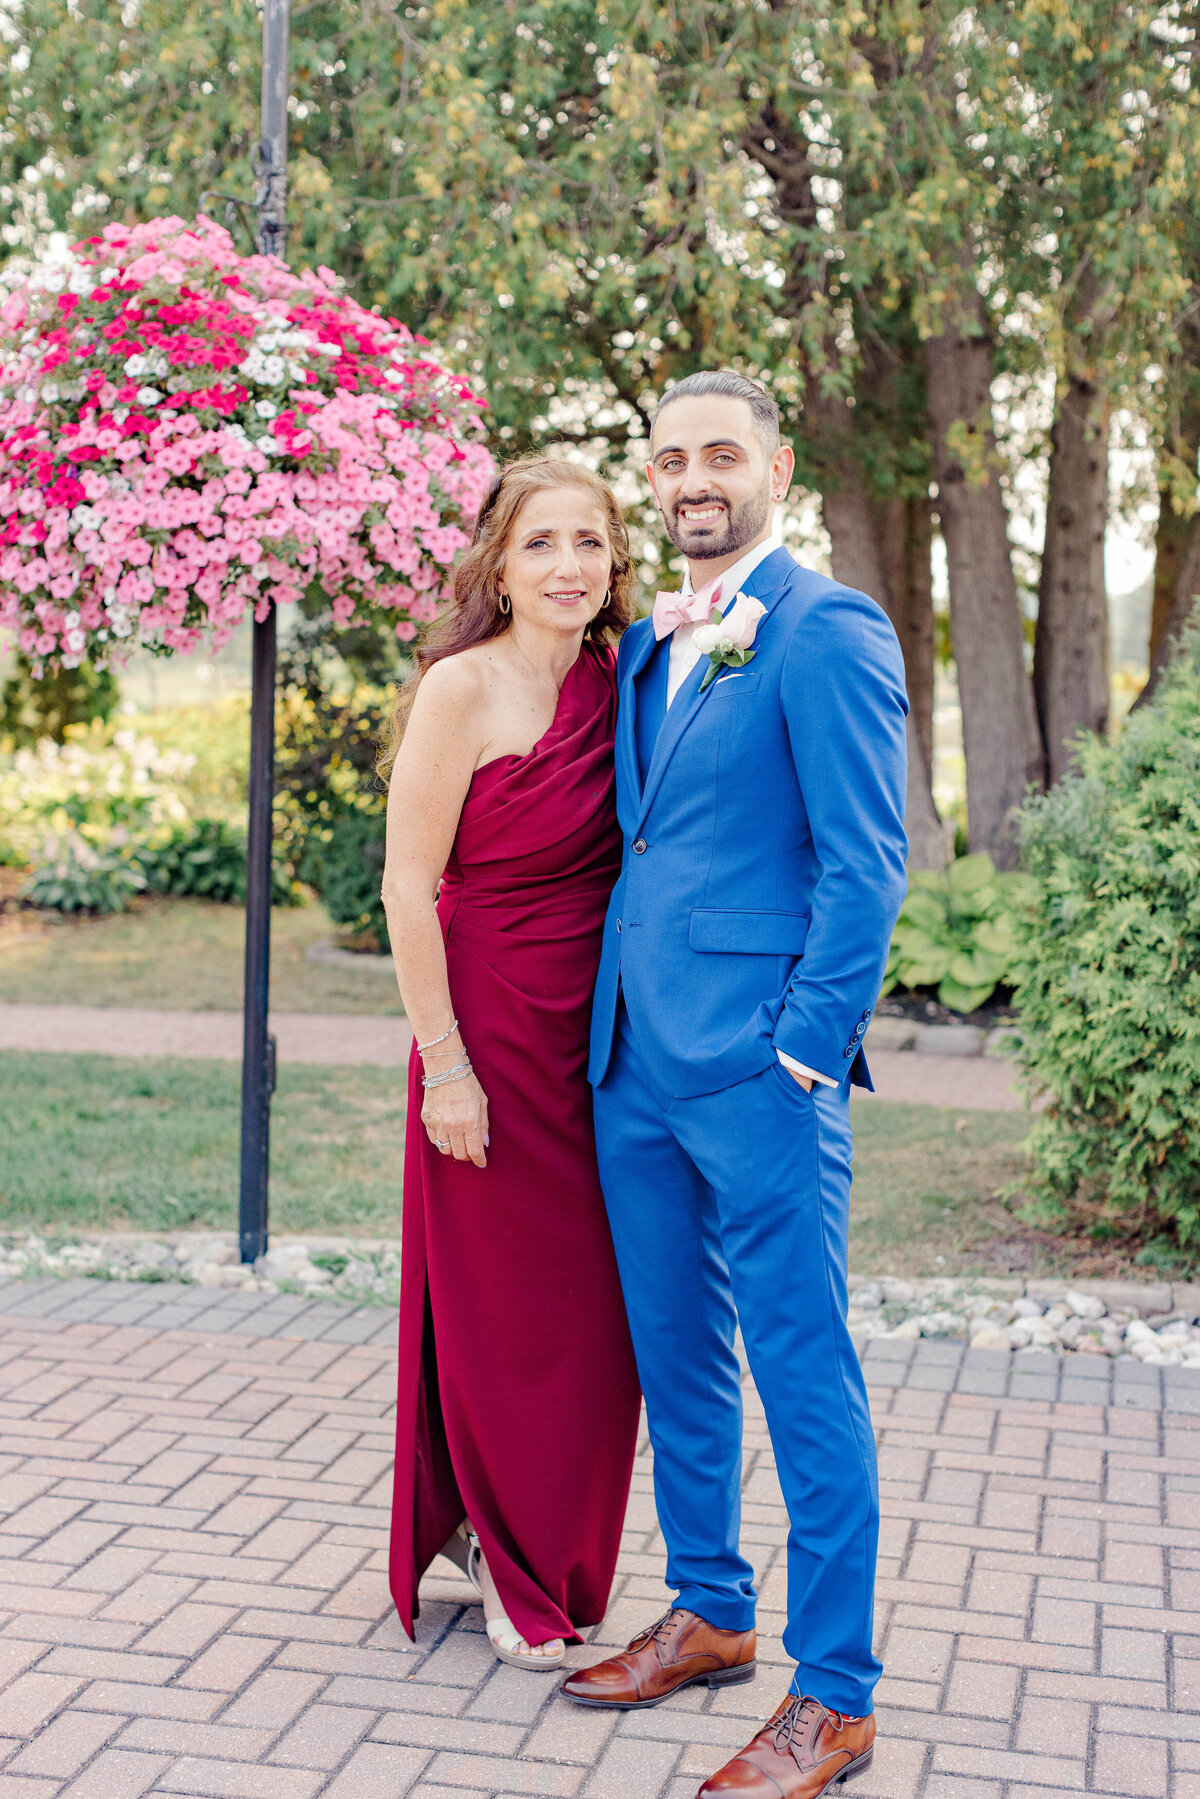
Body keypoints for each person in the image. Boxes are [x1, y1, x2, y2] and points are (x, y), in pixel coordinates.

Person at [560, 371, 909, 1798]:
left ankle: (835, 1696)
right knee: (677, 1356)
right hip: (632, 1057)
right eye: (668, 457)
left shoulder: (829, 630)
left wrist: (805, 1050)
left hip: (761, 1070)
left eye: (718, 451)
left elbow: (866, 859)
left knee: (802, 1370)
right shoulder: (651, 639)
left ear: (773, 462)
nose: (692, 476)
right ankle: (711, 1607)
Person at [381, 457, 641, 1671]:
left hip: (597, 1042)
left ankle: (540, 1538)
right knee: (498, 1311)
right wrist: (447, 1066)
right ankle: (508, 1552)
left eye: (589, 541)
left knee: (597, 1316)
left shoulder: (623, 676)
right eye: (542, 542)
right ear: (499, 559)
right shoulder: (458, 688)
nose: (567, 565)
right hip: (485, 1026)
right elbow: (407, 884)